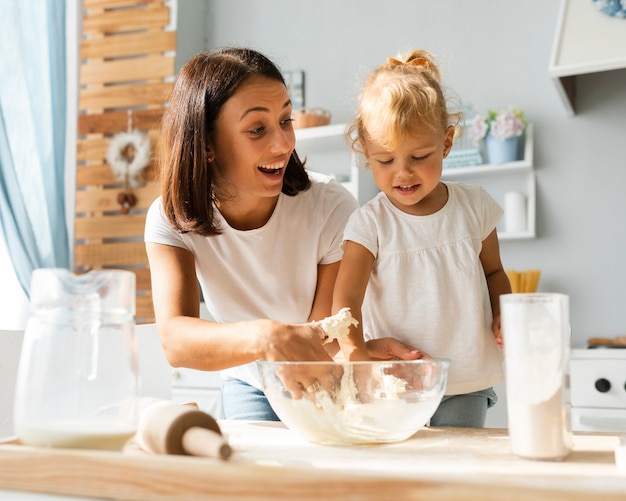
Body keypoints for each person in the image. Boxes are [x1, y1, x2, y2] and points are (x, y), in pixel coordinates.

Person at [144, 47, 423, 421]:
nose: (283, 143)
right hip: (249, 382)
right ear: (207, 145)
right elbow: (176, 341)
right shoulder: (170, 217)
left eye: (286, 120)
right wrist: (266, 338)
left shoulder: (330, 207)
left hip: (323, 369)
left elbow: (320, 336)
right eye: (257, 129)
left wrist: (356, 354)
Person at [331, 49, 512, 427]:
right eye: (385, 161)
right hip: (397, 380)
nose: (403, 173)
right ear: (366, 152)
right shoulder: (369, 224)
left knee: (456, 468)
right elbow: (347, 299)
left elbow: (495, 273)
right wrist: (356, 356)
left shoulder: (475, 207)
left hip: (464, 377)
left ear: (446, 143)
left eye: (419, 156)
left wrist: (503, 314)